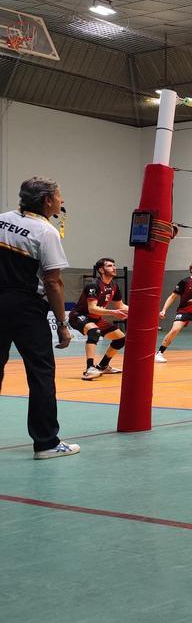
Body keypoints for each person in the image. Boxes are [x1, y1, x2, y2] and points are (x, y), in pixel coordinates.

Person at [0, 177, 77, 458]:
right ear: (47, 201)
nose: (62, 200)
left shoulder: (1, 219)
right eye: (59, 196)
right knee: (41, 374)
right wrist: (63, 324)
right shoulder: (45, 232)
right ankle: (46, 443)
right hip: (26, 309)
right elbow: (53, 281)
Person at [70, 257, 129, 380]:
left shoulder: (114, 286)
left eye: (114, 265)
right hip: (80, 316)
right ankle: (89, 368)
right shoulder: (94, 285)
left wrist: (144, 312)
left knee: (120, 339)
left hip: (96, 318)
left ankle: (103, 366)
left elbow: (121, 306)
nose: (113, 267)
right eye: (109, 266)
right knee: (94, 332)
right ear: (101, 270)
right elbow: (92, 308)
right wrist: (113, 312)